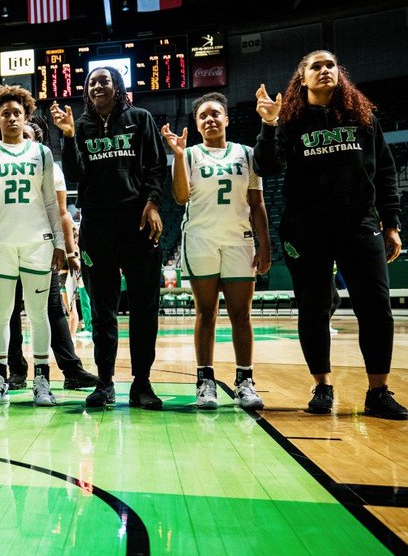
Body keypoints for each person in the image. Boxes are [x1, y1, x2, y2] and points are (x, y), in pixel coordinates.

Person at [254, 50, 404, 419]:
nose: (324, 70)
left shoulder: (361, 117)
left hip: (359, 224)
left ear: (340, 73)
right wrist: (269, 125)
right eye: (315, 66)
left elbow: (384, 170)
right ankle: (322, 385)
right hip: (307, 228)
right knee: (314, 309)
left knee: (376, 309)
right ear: (301, 78)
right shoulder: (289, 119)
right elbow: (266, 166)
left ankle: (378, 390)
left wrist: (391, 224)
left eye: (330, 65)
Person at [50, 66, 165, 409]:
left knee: (145, 307)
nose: (98, 85)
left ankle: (142, 383)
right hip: (97, 228)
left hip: (138, 225)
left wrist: (154, 203)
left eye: (104, 80)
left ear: (118, 86)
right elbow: (74, 174)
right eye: (92, 82)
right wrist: (69, 138)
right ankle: (105, 382)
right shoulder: (80, 126)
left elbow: (156, 167)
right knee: (102, 311)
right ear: (86, 91)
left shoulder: (141, 119)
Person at [163, 92, 270, 410]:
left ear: (226, 118)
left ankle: (245, 381)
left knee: (241, 315)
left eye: (215, 114)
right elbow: (181, 197)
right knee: (205, 313)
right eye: (203, 116)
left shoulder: (247, 154)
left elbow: (257, 202)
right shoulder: (190, 155)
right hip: (201, 241)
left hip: (239, 241)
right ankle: (205, 381)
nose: (209, 119)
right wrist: (178, 156)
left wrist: (264, 244)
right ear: (196, 124)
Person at [0, 85, 65, 406]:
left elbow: (52, 203)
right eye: (5, 113)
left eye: (17, 113)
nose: (11, 118)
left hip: (38, 242)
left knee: (39, 315)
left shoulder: (42, 153)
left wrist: (61, 243)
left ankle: (41, 380)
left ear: (26, 118)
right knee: (0, 314)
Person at [4, 121, 99, 390]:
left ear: (39, 141)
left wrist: (69, 250)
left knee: (54, 308)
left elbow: (62, 212)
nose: (20, 138)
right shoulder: (0, 159)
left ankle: (71, 369)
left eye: (27, 135)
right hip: (8, 245)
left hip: (40, 246)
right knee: (9, 311)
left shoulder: (49, 166)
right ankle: (17, 370)